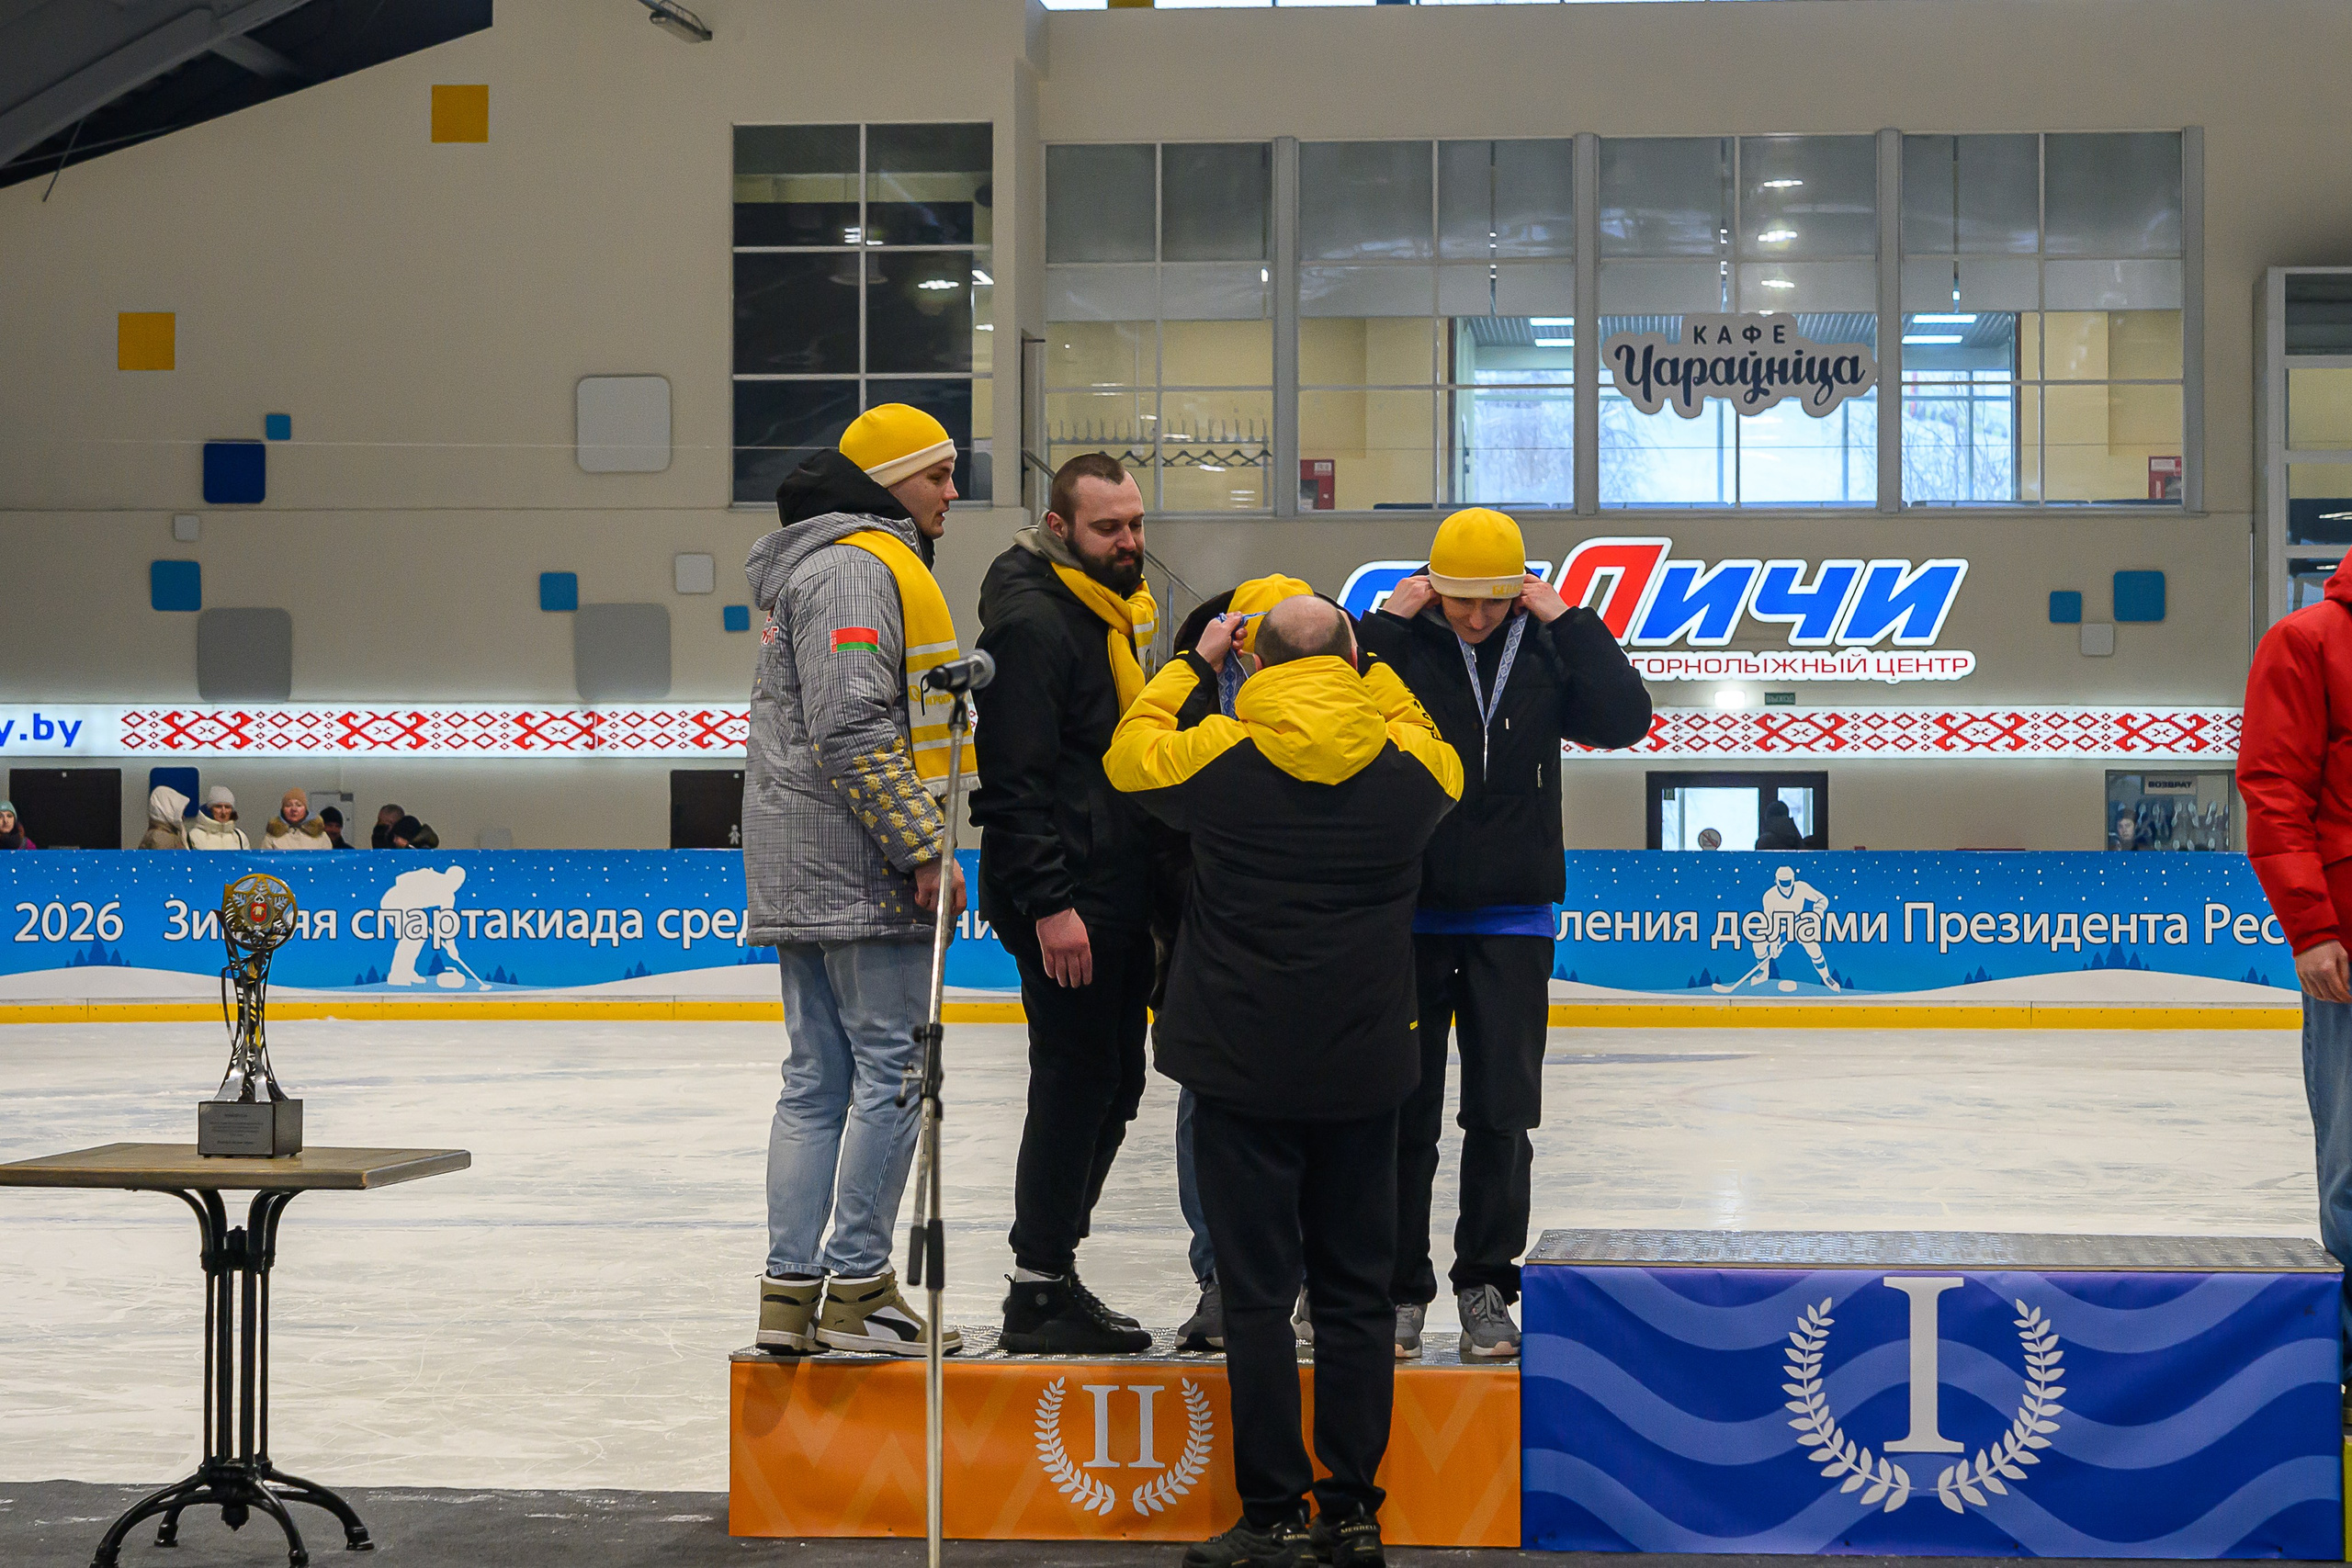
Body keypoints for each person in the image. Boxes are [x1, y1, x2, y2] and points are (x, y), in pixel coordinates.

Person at [1105, 594, 1462, 1568]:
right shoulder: (1414, 772)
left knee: (1259, 1298)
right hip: (1364, 1063)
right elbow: (1424, 731)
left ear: (1252, 667)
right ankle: (1350, 1513)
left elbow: (1128, 754)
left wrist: (1191, 664)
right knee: (1354, 1298)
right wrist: (1370, 659)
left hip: (1238, 1062)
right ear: (1352, 660)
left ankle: (1267, 1515)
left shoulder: (1217, 756)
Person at [1355, 508, 1652, 1361]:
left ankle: (1486, 1282)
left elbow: (1627, 716)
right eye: (1457, 602)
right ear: (1431, 587)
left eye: (1491, 603)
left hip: (1513, 918)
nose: (1475, 619)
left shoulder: (1549, 649)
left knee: (1502, 1115)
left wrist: (1569, 618)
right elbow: (1335, 697)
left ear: (1519, 591)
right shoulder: (1403, 644)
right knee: (1402, 1112)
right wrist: (1390, 618)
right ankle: (1398, 1288)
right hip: (1410, 913)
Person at [742, 402, 968, 1360]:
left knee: (818, 1079)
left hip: (809, 861)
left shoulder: (830, 564)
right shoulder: (856, 568)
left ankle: (793, 1297)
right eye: (937, 476)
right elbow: (851, 724)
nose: (952, 493)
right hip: (854, 864)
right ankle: (858, 1288)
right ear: (887, 486)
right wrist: (922, 844)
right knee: (891, 1071)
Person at [972, 451, 1159, 1355]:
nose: (1128, 543)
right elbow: (1010, 785)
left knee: (1114, 1080)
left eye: (1133, 524)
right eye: (1107, 529)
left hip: (1111, 886)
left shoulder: (1105, 615)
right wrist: (1050, 906)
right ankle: (1039, 1284)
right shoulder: (1035, 626)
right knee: (1076, 1082)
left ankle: (1049, 1270)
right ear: (1060, 531)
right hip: (1069, 898)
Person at [1160, 575, 1317, 1356]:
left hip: (1328, 941)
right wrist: (1194, 664)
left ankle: (1325, 1277)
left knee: (1331, 1111)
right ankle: (1224, 1276)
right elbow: (1140, 771)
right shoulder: (1198, 688)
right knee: (1209, 1105)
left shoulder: (1344, 700)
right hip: (1215, 935)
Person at [2239, 552, 2352, 1405]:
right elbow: (2275, 791)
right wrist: (2312, 928)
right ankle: (2351, 1361)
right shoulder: (2306, 641)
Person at [263, 788, 331, 851]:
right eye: (288, 805)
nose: (294, 809)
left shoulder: (320, 836)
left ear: (305, 809)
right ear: (283, 809)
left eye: (299, 805)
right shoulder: (272, 836)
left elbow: (327, 861)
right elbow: (265, 861)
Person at [187, 787, 250, 851]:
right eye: (218, 807)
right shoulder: (194, 836)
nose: (223, 812)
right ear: (210, 809)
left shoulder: (240, 837)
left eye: (227, 807)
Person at [139, 786, 189, 850]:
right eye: (181, 813)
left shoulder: (160, 835)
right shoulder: (161, 838)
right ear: (168, 810)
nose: (183, 817)